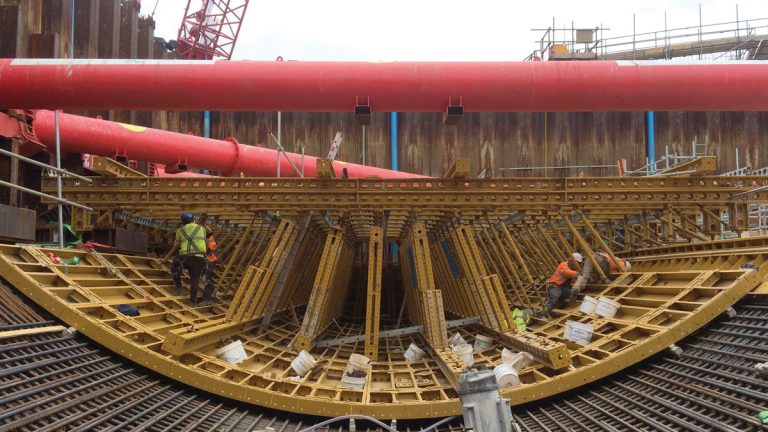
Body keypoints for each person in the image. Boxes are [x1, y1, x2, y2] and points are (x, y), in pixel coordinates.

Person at [172, 213, 207, 306]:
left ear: (183, 222)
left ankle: (179, 287)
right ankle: (192, 302)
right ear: (193, 220)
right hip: (198, 258)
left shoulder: (179, 230)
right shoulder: (202, 229)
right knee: (194, 280)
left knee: (175, 269)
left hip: (185, 257)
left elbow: (176, 245)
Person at [200, 230, 218, 305]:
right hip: (210, 260)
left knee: (207, 280)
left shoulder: (209, 240)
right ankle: (207, 298)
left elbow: (208, 249)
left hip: (209, 261)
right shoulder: (211, 238)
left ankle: (206, 299)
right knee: (208, 279)